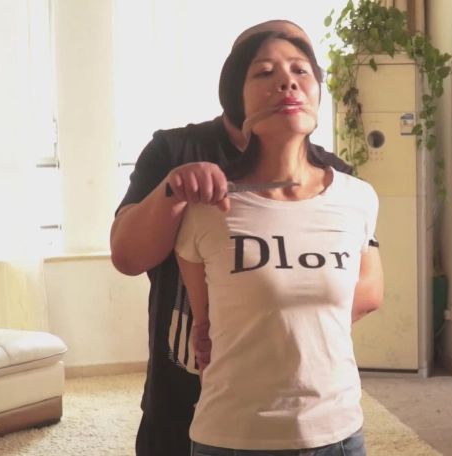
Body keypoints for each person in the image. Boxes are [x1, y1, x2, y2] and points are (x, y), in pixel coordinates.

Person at [109, 20, 383, 456]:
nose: (286, 81)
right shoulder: (175, 151)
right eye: (264, 69)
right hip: (187, 390)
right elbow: (127, 255)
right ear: (235, 84)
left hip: (314, 411)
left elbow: (366, 289)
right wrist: (173, 191)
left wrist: (272, 331)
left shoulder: (340, 182)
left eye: (301, 68)